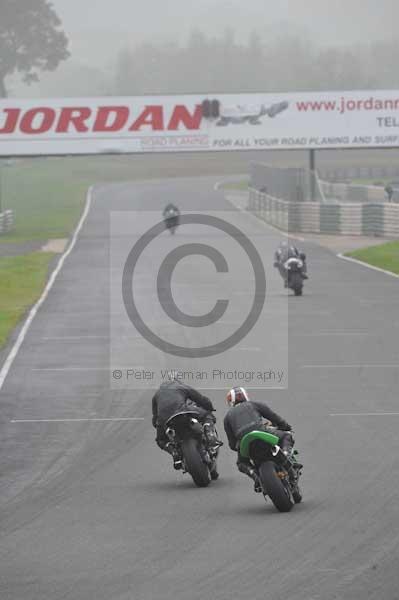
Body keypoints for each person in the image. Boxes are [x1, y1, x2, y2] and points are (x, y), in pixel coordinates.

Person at [223, 386, 300, 492]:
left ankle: (256, 477)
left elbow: (232, 444)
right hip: (262, 433)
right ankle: (287, 457)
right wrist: (286, 427)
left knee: (241, 463)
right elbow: (274, 417)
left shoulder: (227, 417)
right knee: (286, 436)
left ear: (231, 402)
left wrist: (240, 447)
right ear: (245, 396)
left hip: (245, 443)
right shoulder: (254, 404)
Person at [152, 372, 221, 470]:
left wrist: (159, 426)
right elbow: (200, 399)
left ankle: (174, 451)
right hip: (181, 412)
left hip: (165, 419)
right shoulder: (181, 387)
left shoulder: (156, 395)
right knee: (207, 415)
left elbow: (155, 418)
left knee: (160, 440)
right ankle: (211, 438)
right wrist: (210, 407)